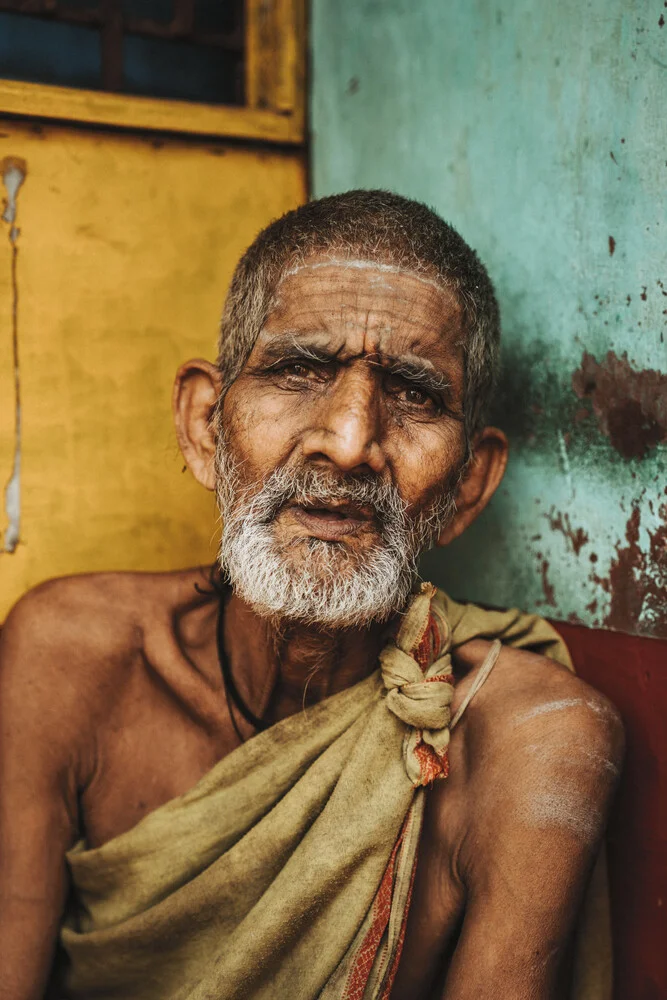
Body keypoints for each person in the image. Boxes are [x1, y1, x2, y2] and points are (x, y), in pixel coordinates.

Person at [0, 190, 623, 1000]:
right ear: (204, 425)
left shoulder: (528, 740)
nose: (350, 438)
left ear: (467, 483)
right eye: (298, 372)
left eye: (413, 394)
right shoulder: (66, 653)